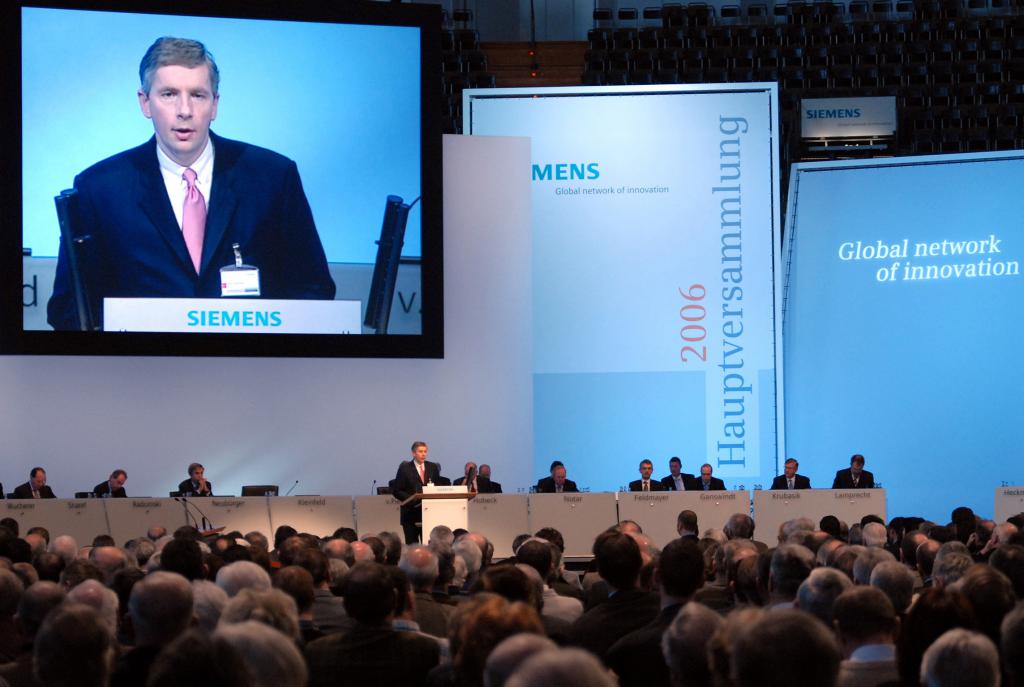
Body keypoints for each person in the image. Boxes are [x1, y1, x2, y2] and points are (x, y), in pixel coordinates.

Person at [47, 36, 335, 331]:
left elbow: (313, 290)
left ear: (215, 105)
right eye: (169, 94)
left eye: (197, 95)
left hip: (249, 369)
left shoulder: (272, 177)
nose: (184, 110)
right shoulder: (99, 189)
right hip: (141, 369)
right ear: (145, 102)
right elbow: (69, 310)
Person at [393, 441, 443, 544]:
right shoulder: (405, 468)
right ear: (413, 453)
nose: (423, 454)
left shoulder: (432, 467)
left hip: (429, 513)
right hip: (410, 513)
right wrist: (412, 499)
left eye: (425, 451)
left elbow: (438, 487)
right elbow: (397, 490)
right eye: (420, 451)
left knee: (429, 544)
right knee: (412, 546)